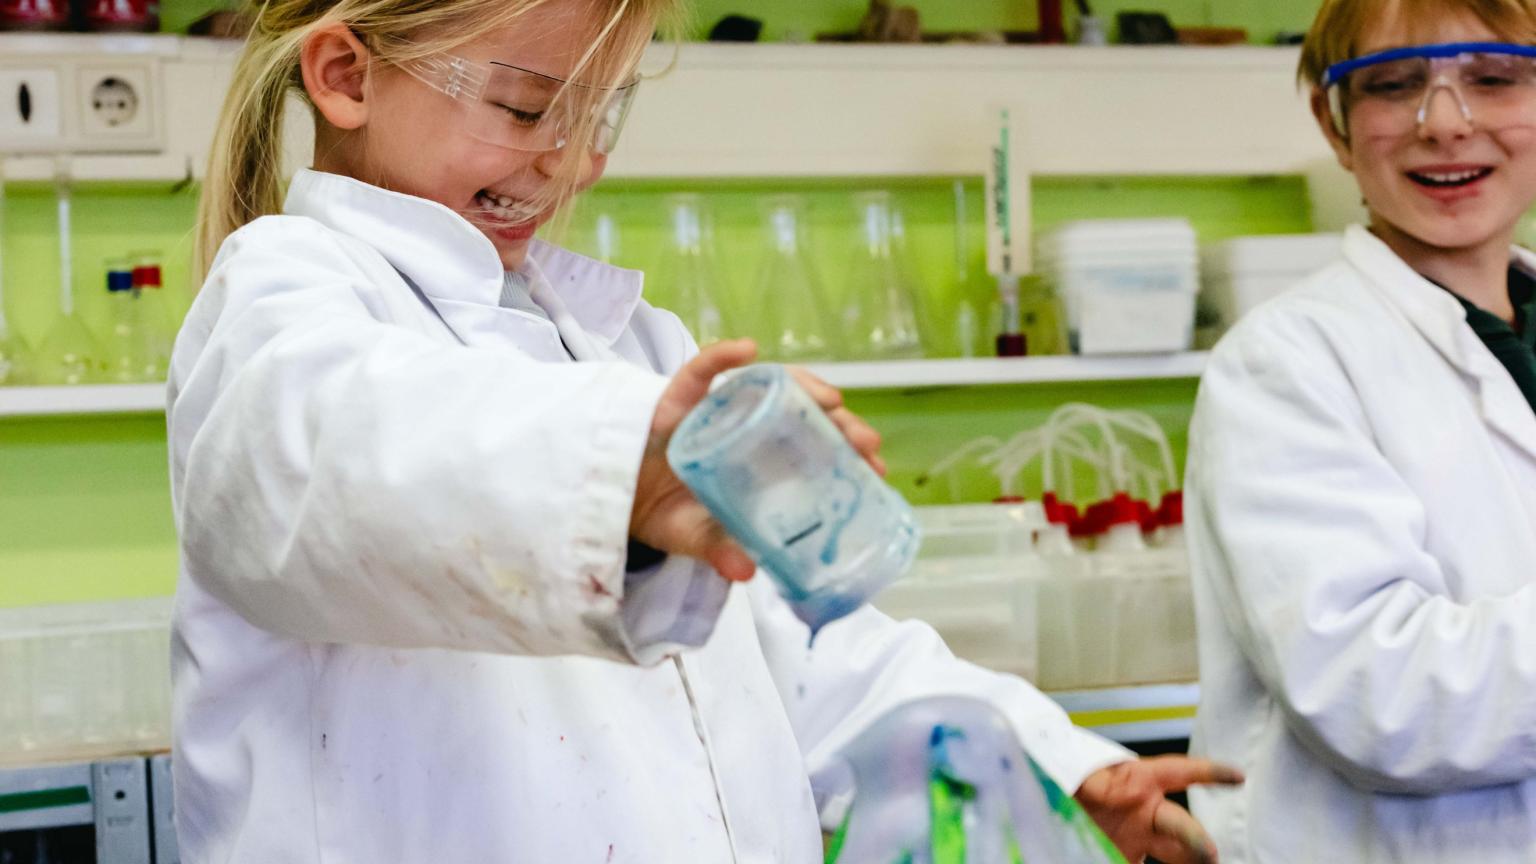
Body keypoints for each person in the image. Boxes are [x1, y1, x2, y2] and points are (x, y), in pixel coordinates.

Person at [168, 0, 1236, 860]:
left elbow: (800, 647)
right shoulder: (280, 301)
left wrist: (1046, 760)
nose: (571, 161)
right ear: (346, 76)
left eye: (602, 116)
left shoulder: (626, 346)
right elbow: (335, 461)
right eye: (529, 106)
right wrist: (609, 475)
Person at [1187, 0, 1536, 860]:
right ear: (1335, 125)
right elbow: (1379, 696)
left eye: (1493, 80)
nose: (1445, 125)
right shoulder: (1283, 365)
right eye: (1393, 86)